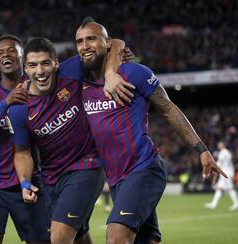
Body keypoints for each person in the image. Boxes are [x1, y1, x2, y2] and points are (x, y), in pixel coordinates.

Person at [75, 17, 227, 244]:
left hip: (144, 168)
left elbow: (167, 109)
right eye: (79, 41)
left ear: (107, 43)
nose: (84, 45)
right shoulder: (79, 82)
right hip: (116, 178)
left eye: (91, 39)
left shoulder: (134, 73)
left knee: (116, 236)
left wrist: (201, 149)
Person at [7, 37, 129, 244]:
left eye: (45, 63)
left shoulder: (71, 71)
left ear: (56, 64)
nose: (40, 71)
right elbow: (22, 152)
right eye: (33, 65)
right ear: (24, 69)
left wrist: (109, 73)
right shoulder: (19, 108)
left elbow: (114, 43)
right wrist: (25, 182)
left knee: (59, 235)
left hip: (87, 166)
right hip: (52, 179)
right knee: (80, 237)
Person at [0, 34, 50, 244]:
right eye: (0, 53)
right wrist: (6, 103)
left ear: (23, 58)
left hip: (30, 181)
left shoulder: (38, 86)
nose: (6, 55)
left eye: (12, 50)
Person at [205, 141, 238, 210]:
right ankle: (213, 204)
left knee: (230, 189)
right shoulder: (228, 152)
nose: (218, 146)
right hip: (228, 172)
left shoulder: (222, 153)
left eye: (219, 144)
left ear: (223, 145)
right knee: (219, 188)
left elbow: (219, 163)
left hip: (226, 173)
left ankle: (236, 204)